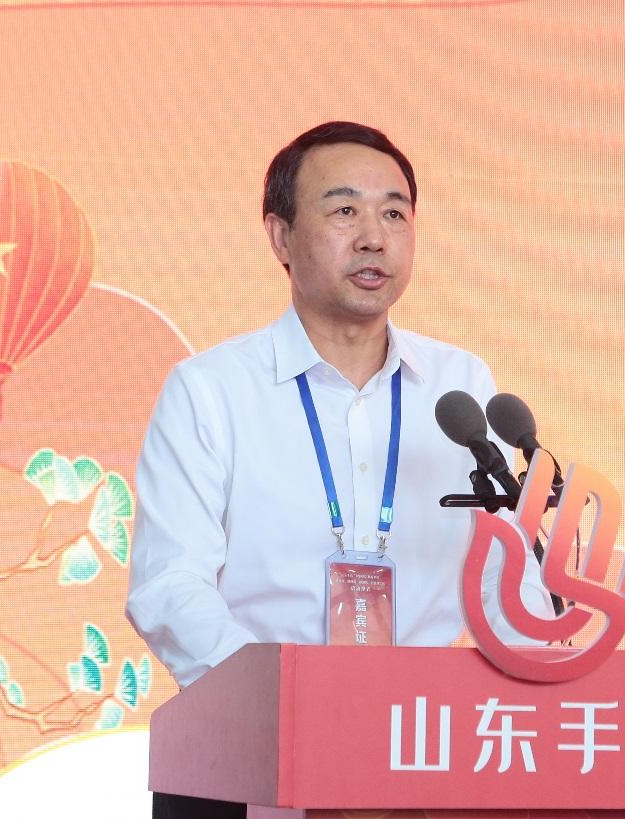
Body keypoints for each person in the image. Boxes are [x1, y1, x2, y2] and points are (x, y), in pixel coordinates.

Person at [126, 122, 554, 819]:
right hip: (245, 758)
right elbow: (169, 585)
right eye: (344, 210)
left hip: (421, 756)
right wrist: (285, 708)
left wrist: (539, 681)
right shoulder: (210, 390)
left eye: (394, 213)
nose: (374, 237)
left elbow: (504, 571)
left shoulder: (460, 384)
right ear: (280, 236)